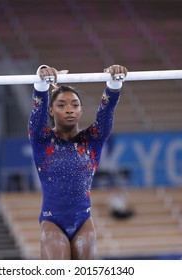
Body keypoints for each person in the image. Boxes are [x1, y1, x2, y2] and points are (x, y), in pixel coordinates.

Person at [28, 64, 128, 259]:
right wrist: (41, 84)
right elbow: (36, 112)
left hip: (84, 222)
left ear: (81, 111)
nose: (69, 110)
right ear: (51, 110)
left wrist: (114, 85)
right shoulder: (42, 139)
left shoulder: (92, 140)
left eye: (75, 105)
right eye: (61, 105)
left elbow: (106, 111)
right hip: (53, 223)